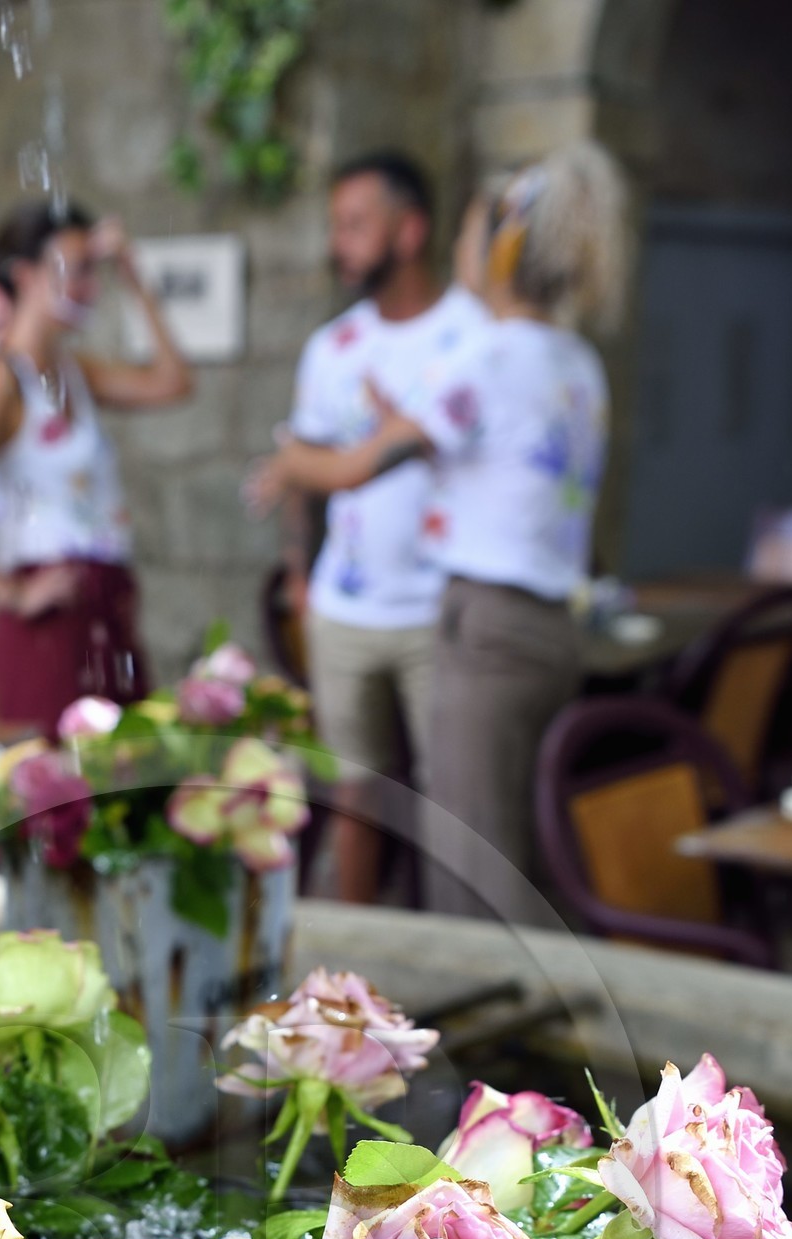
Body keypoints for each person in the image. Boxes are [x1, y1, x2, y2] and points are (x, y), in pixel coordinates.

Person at [254, 143, 628, 920]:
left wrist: (291, 461)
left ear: (498, 251)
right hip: (549, 626)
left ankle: (494, 1035)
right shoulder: (577, 360)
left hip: (485, 628)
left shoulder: (483, 357)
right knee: (519, 847)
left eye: (468, 232)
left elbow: (357, 467)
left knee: (473, 870)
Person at [264, 153, 489, 904]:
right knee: (351, 797)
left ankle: (449, 961)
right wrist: (300, 576)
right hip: (345, 608)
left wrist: (372, 441)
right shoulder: (332, 349)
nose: (341, 242)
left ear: (412, 230)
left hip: (441, 609)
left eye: (357, 224)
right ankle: (350, 986)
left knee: (450, 804)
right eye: (336, 225)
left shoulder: (475, 337)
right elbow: (304, 476)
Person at [0, 200, 193, 735]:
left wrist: (134, 279)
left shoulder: (74, 372)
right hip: (46, 620)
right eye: (77, 269)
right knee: (57, 801)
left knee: (128, 788)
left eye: (93, 270)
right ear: (25, 276)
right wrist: (12, 592)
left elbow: (173, 383)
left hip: (107, 604)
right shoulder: (0, 378)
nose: (89, 286)